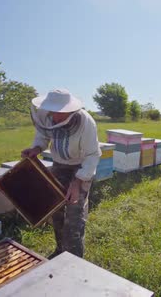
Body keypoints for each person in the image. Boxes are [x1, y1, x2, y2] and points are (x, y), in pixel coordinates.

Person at [21, 89, 101, 258]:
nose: (55, 117)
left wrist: (77, 182)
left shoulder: (86, 122)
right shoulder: (46, 115)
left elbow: (92, 155)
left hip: (80, 168)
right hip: (59, 166)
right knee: (56, 211)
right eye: (53, 112)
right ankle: (60, 251)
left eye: (60, 114)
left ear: (71, 110)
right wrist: (36, 148)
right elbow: (42, 135)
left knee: (74, 217)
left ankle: (74, 259)